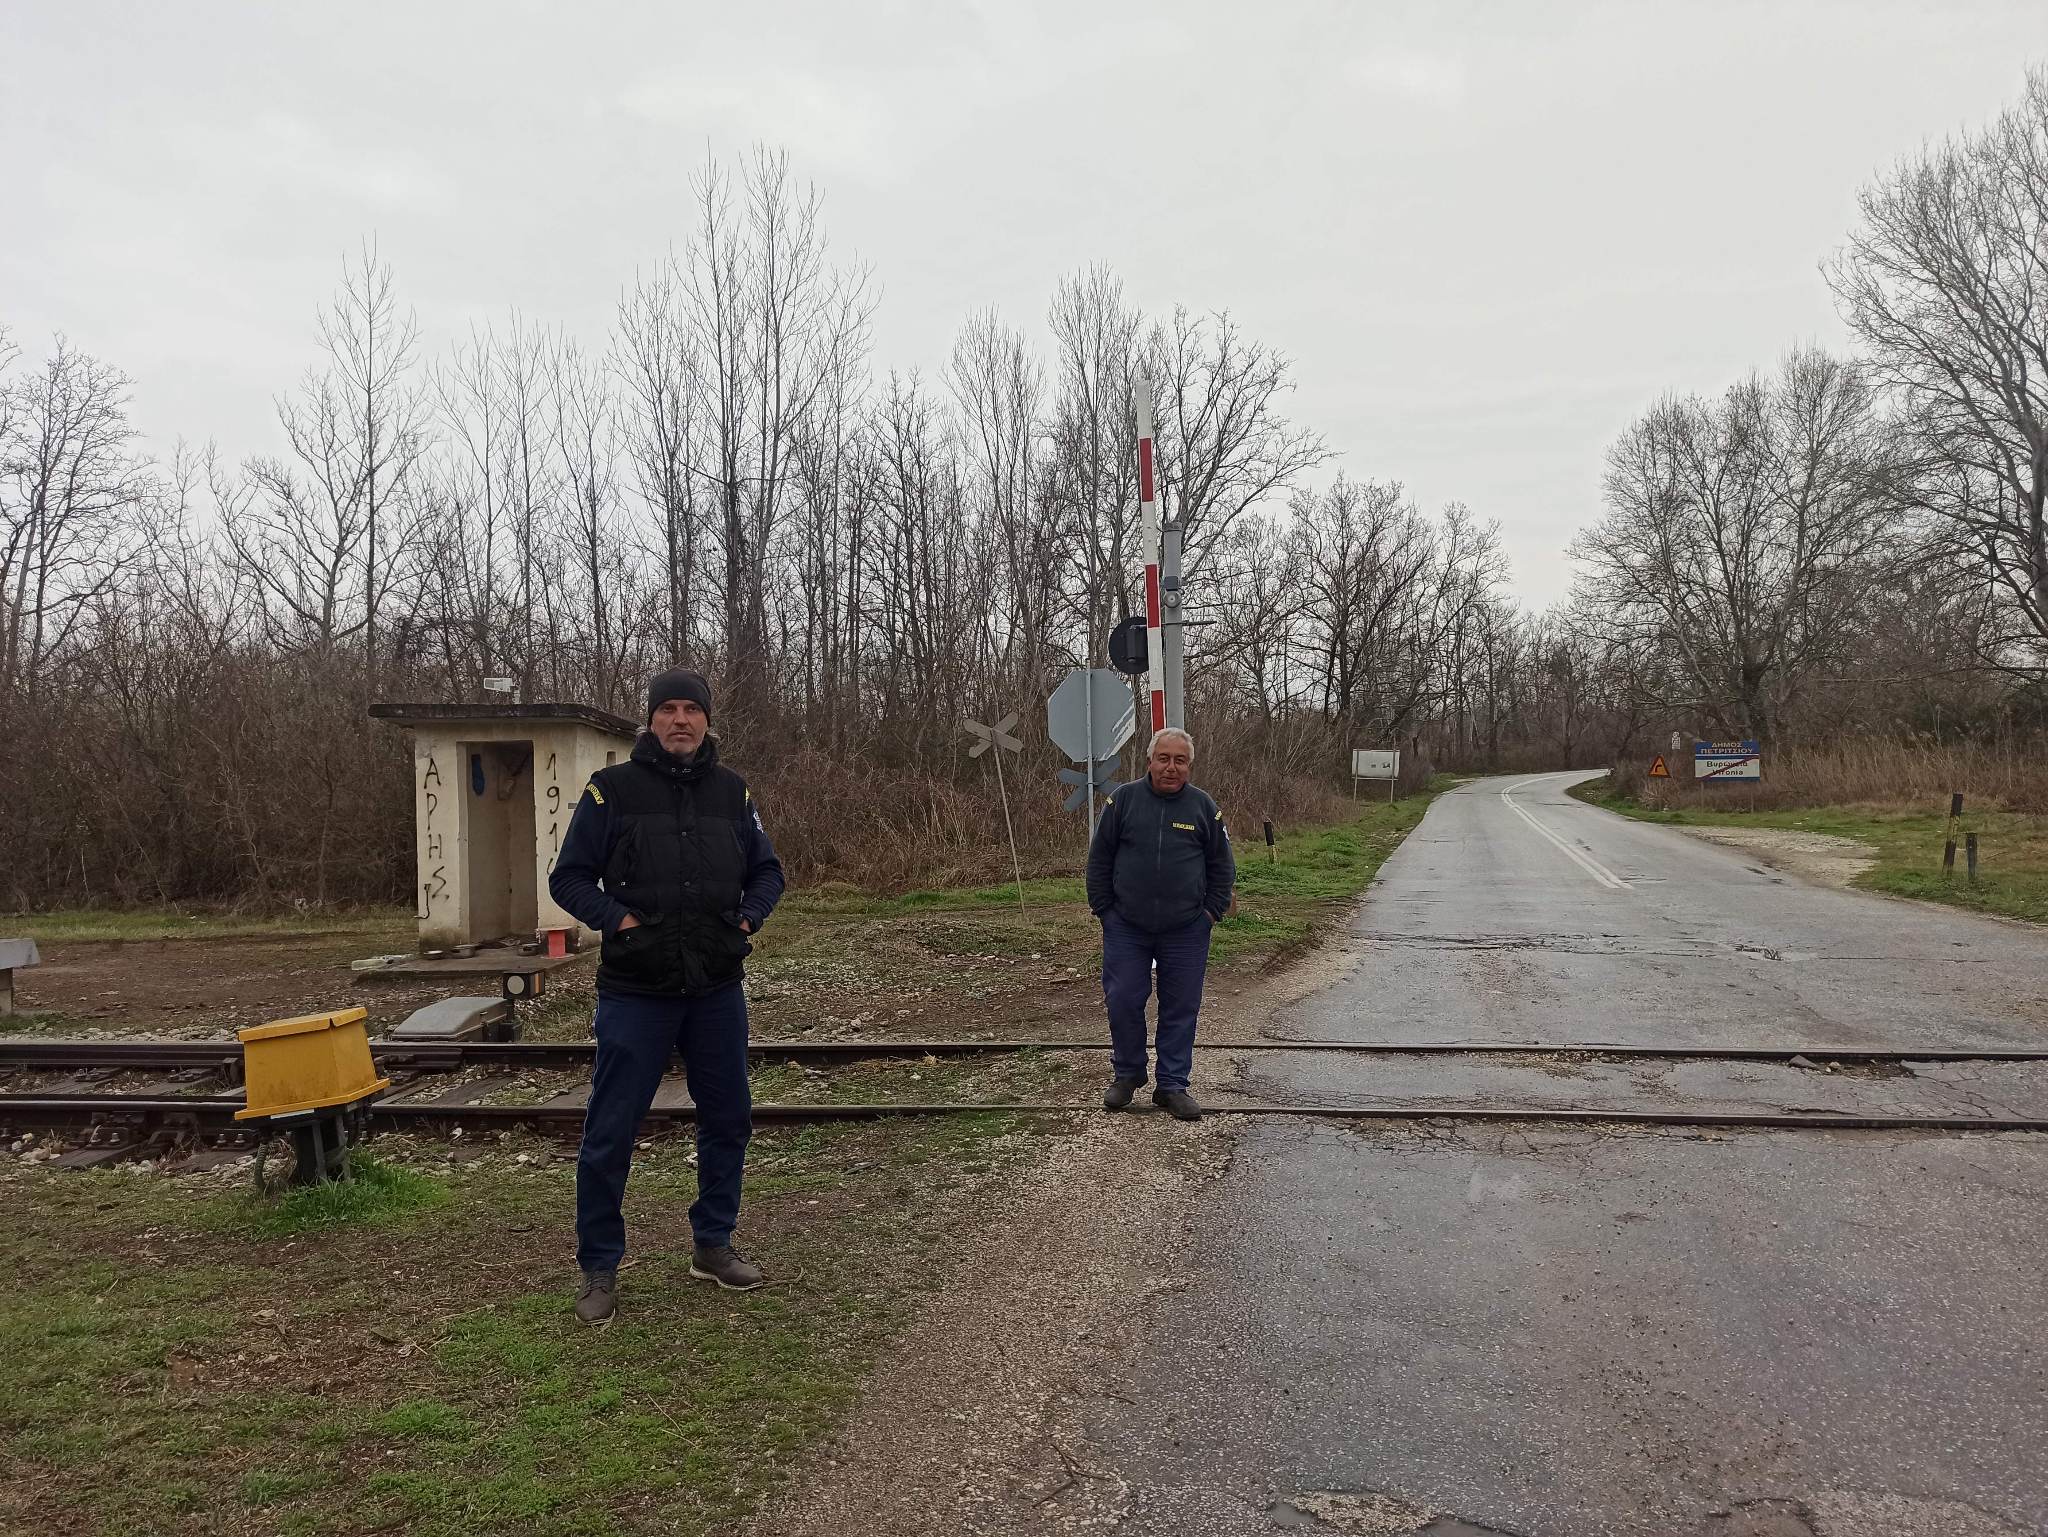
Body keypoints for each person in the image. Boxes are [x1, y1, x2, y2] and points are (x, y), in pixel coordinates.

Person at [548, 667, 786, 1326]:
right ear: (651, 719)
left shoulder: (733, 794)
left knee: (729, 1116)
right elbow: (568, 878)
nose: (681, 719)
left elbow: (768, 870)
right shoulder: (611, 792)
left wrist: (747, 917)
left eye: (692, 709)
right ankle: (599, 1264)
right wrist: (618, 918)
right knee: (610, 1128)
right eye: (669, 709)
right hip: (636, 991)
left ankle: (713, 1244)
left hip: (715, 987)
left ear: (707, 720)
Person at [1085, 726, 1235, 1121]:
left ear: (1189, 765)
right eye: (1164, 759)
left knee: (1180, 1006)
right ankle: (1128, 1074)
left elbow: (1223, 867)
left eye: (1179, 760)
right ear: (1149, 761)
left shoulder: (1204, 808)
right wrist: (1105, 910)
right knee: (1123, 999)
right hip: (1127, 927)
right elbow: (1099, 859)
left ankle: (1172, 1085)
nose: (1171, 767)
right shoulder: (1123, 801)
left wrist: (1210, 913)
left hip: (1186, 929)